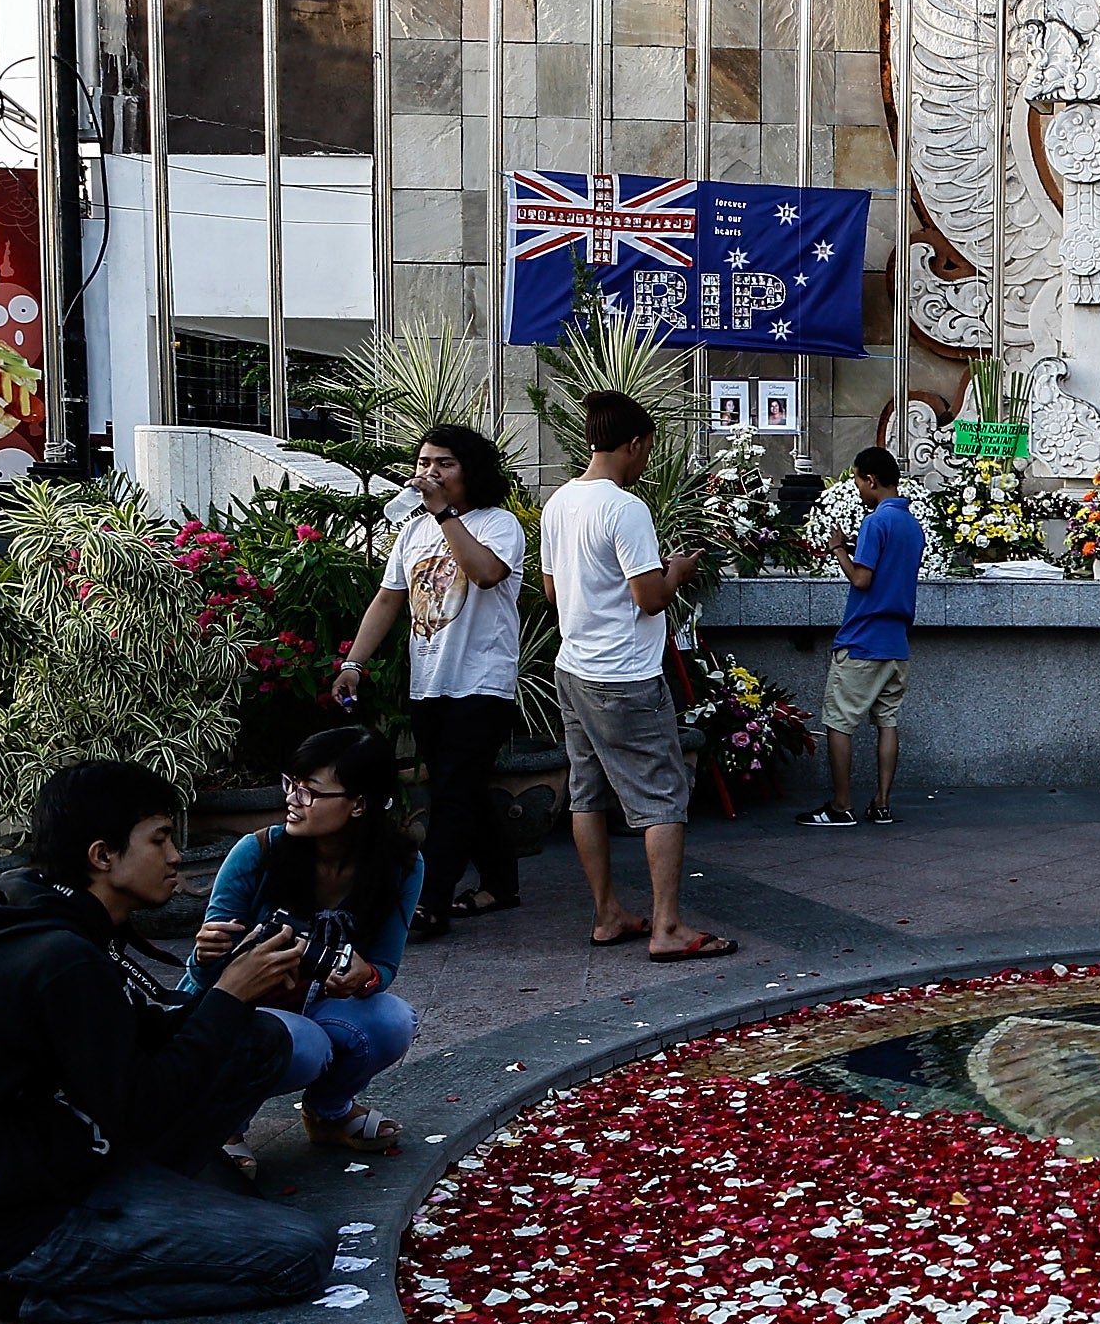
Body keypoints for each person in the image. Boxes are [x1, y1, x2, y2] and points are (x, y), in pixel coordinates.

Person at [0, 762, 330, 1324]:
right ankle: (19, 1293)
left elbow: (140, 1034)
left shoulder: (53, 915)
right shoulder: (59, 959)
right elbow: (141, 1106)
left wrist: (229, 983)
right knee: (299, 1256)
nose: (176, 857)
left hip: (72, 1150)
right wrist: (230, 995)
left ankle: (168, 1195)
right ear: (102, 856)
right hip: (24, 1218)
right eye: (159, 839)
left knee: (257, 1040)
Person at [542, 388, 737, 962]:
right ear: (632, 444)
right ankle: (668, 927)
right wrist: (676, 570)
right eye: (647, 449)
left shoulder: (560, 502)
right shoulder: (625, 509)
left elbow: (553, 590)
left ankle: (607, 914)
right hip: (624, 673)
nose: (648, 459)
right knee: (663, 794)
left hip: (573, 665)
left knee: (586, 792)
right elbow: (649, 598)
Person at [188, 726, 425, 1168]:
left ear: (358, 804)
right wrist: (205, 955)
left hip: (315, 1001)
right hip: (239, 1013)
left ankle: (329, 1113)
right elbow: (203, 981)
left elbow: (385, 965)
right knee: (305, 1044)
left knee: (393, 1019)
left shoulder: (401, 865)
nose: (293, 800)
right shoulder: (258, 851)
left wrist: (365, 976)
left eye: (311, 791)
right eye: (291, 784)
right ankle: (224, 1127)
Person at [331, 425, 528, 935]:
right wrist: (354, 662)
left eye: (444, 464)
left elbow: (486, 574)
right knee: (460, 786)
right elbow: (388, 599)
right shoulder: (412, 531)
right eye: (423, 463)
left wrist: (444, 514)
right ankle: (502, 883)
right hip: (430, 681)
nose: (429, 473)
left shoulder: (497, 523)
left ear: (471, 472)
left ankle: (431, 900)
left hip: (482, 680)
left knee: (454, 792)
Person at [797, 447, 924, 828]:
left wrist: (838, 548)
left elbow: (862, 579)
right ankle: (882, 803)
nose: (856, 487)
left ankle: (840, 805)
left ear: (871, 479)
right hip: (897, 641)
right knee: (887, 721)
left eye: (857, 479)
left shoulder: (875, 522)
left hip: (863, 638)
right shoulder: (912, 525)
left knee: (840, 722)